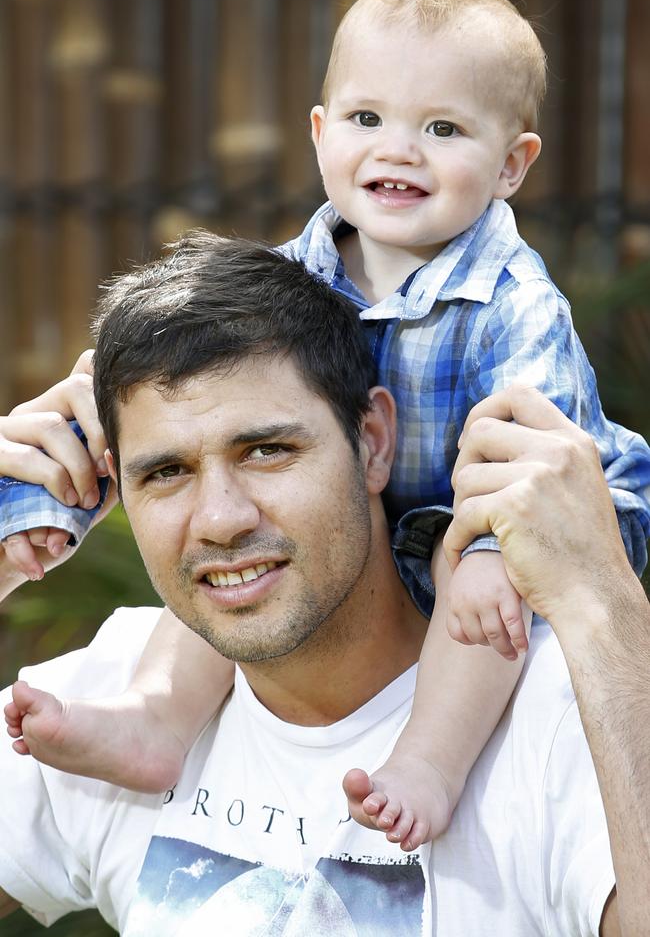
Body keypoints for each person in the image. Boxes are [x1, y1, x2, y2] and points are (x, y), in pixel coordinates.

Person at [2, 0, 650, 851]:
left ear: (512, 164)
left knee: (481, 585)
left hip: (489, 522)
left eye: (444, 130)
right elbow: (130, 408)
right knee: (224, 552)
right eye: (368, 116)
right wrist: (29, 515)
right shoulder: (287, 278)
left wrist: (509, 558)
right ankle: (156, 718)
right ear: (319, 134)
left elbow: (539, 476)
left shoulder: (515, 305)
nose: (398, 150)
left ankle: (429, 762)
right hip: (357, 536)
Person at [0, 235, 648, 935]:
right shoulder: (106, 702)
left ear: (372, 441)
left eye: (267, 450)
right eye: (166, 472)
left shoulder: (571, 711)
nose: (220, 519)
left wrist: (598, 601)